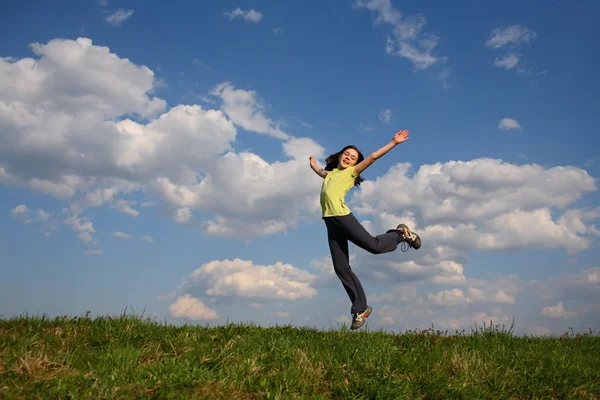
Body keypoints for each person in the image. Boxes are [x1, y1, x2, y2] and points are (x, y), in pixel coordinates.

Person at [309, 130, 421, 330]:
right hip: (330, 223)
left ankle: (400, 234)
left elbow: (373, 157)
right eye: (346, 154)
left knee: (375, 246)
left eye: (352, 158)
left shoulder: (350, 173)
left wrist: (393, 143)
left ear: (354, 164)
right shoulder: (332, 174)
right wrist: (314, 166)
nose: (348, 158)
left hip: (343, 218)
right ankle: (360, 309)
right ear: (340, 155)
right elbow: (321, 173)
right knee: (341, 268)